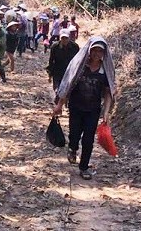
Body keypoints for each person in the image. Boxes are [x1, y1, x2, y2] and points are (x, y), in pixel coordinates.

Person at [52, 36, 115, 180]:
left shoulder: (105, 71)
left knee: (88, 139)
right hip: (76, 107)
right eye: (94, 50)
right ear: (89, 51)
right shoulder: (80, 67)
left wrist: (106, 112)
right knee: (74, 134)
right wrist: (60, 105)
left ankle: (84, 167)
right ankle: (73, 149)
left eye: (100, 51)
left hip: (93, 110)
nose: (97, 54)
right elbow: (68, 85)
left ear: (104, 54)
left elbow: (108, 92)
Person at [46, 29, 80, 100]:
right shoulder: (55, 47)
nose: (64, 40)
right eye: (62, 38)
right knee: (57, 90)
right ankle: (58, 101)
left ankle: (65, 102)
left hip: (69, 71)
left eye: (66, 38)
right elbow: (51, 60)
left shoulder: (75, 47)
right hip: (57, 71)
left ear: (69, 37)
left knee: (68, 90)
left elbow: (78, 60)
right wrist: (50, 74)